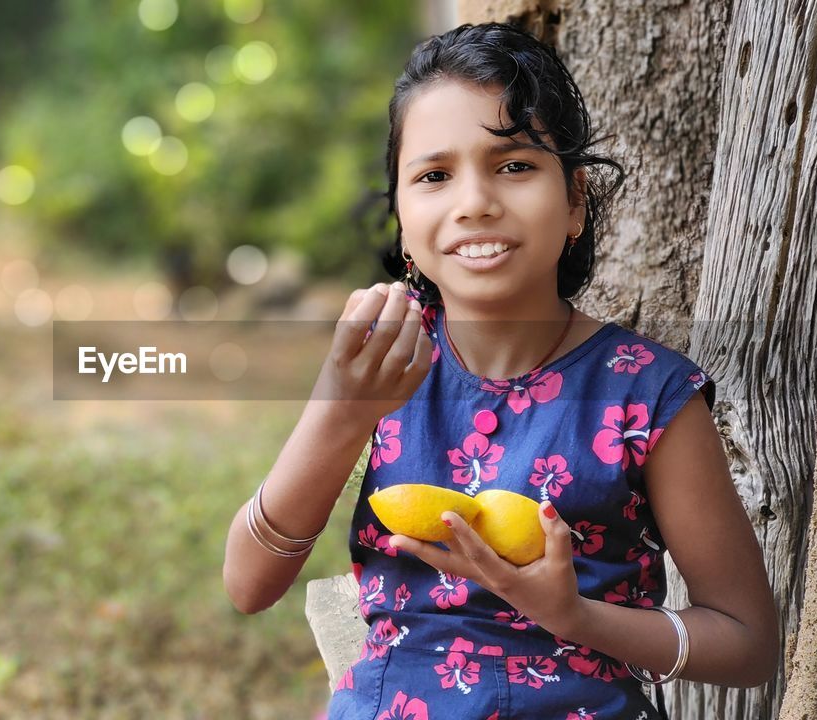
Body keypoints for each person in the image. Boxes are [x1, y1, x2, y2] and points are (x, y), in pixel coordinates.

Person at [221, 22, 780, 720]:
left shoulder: (648, 393)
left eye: (514, 165)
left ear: (575, 200)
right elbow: (248, 585)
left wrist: (575, 616)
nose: (475, 201)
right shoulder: (383, 359)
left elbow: (749, 641)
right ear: (402, 222)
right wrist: (338, 416)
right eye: (433, 176)